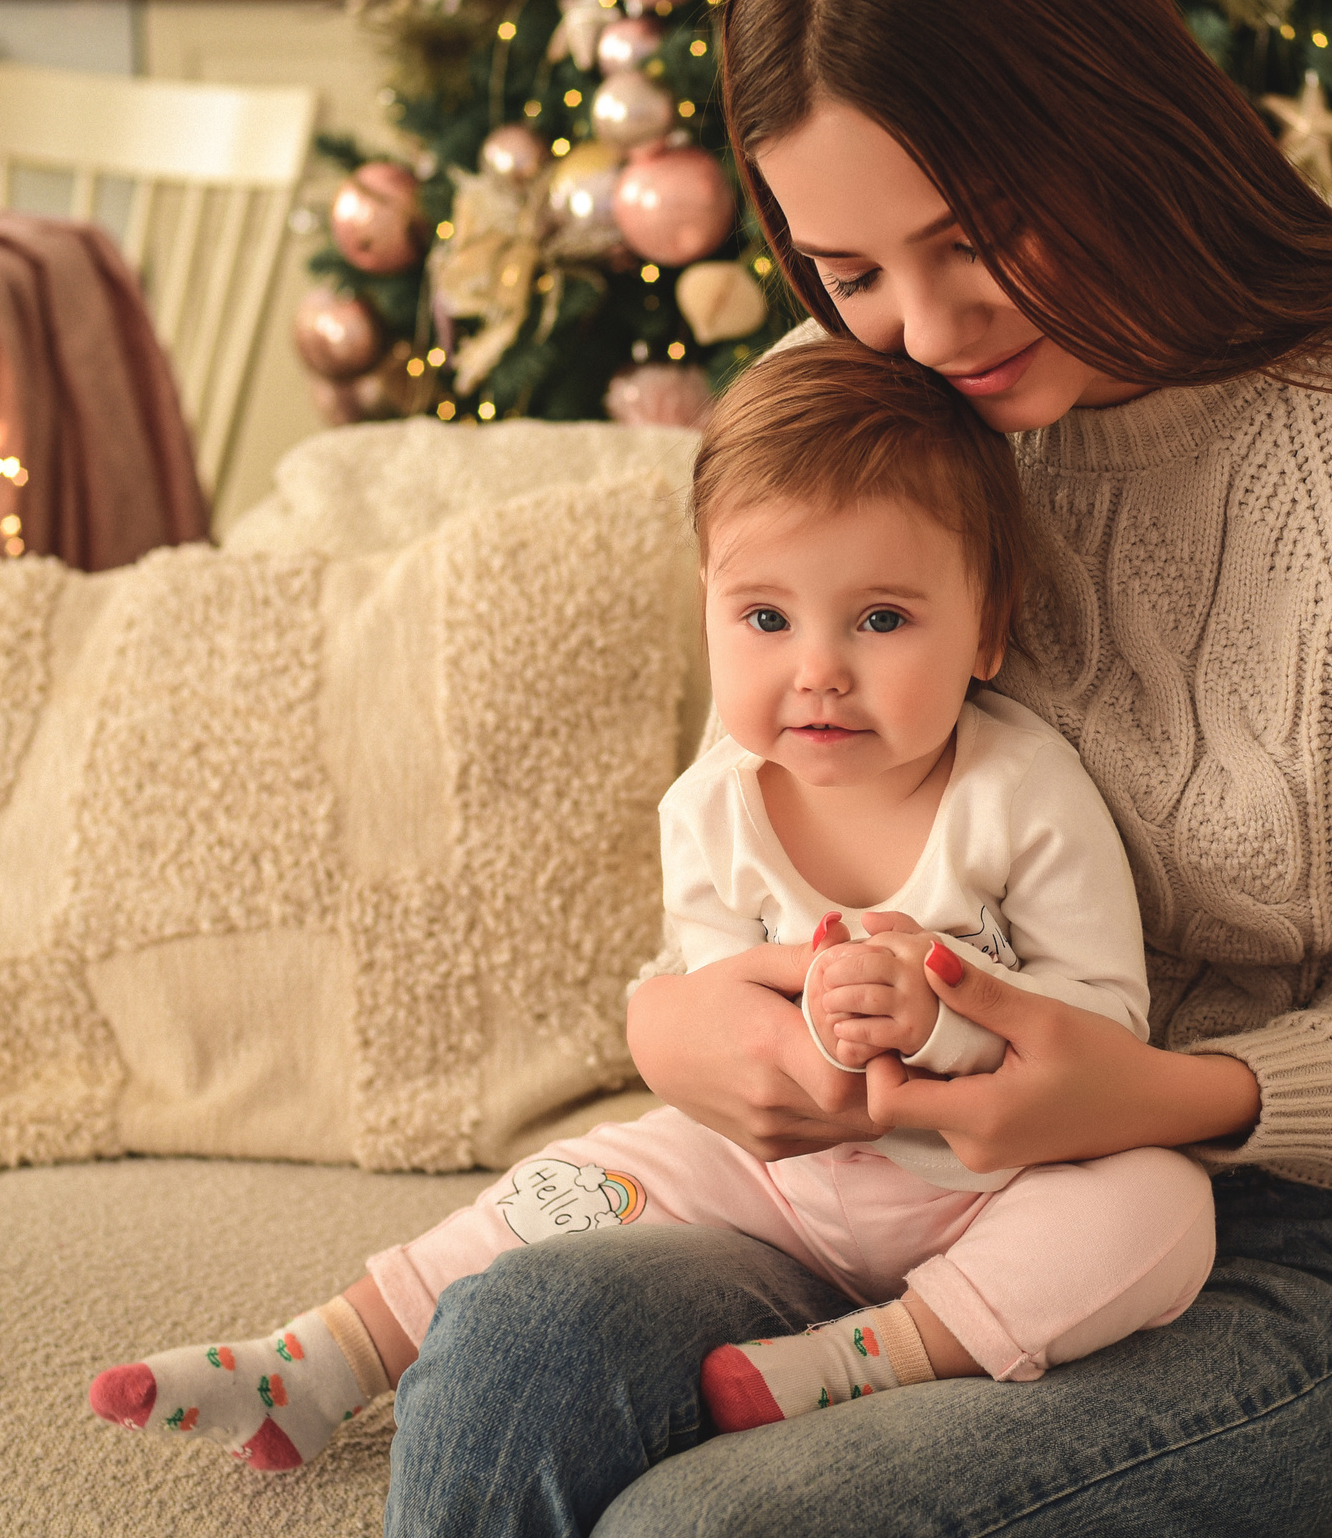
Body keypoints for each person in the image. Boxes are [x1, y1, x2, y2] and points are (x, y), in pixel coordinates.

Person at [389, 0, 1332, 1531]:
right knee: (516, 1335)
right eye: (852, 268)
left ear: (1113, 111)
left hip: (1248, 1253)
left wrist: (1172, 1091)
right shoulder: (866, 398)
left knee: (716, 1525)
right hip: (847, 1191)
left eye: (979, 234)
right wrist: (680, 1024)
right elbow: (769, 800)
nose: (929, 327)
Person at [83, 339, 1215, 1470]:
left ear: (987, 626)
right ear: (710, 607)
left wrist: (943, 1022)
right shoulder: (714, 807)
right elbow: (715, 1009)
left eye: (880, 619)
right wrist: (764, 1046)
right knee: (569, 1184)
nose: (817, 667)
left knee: (1161, 1208)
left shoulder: (1020, 793)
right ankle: (319, 1359)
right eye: (766, 619)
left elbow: (1108, 1025)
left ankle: (874, 1354)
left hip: (990, 1187)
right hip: (771, 1175)